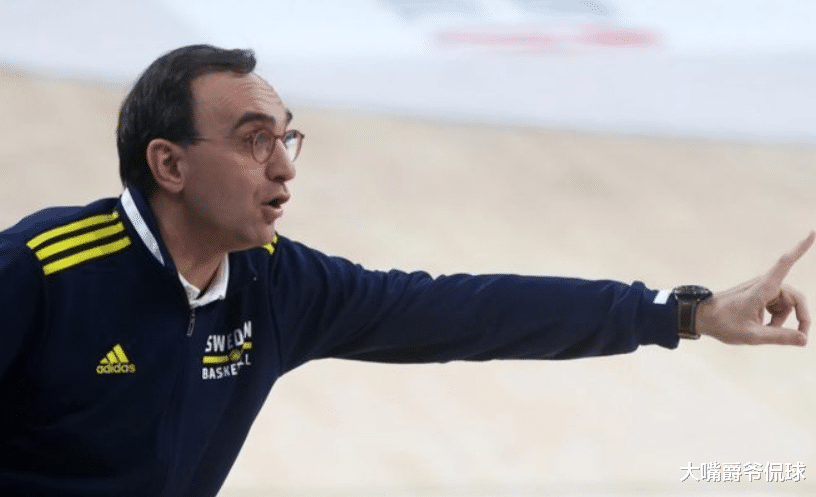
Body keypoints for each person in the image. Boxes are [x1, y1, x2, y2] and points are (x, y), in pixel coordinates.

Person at [0, 44, 811, 497]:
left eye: (287, 138)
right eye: (254, 140)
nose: (284, 166)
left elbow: (467, 311)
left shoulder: (274, 284)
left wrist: (687, 312)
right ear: (169, 164)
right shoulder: (42, 271)